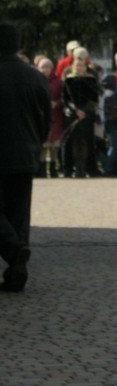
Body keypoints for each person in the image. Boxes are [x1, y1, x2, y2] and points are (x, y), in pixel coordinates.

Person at [0, 22, 50, 292]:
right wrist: (35, 143)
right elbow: (46, 119)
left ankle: (13, 249)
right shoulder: (34, 76)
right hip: (26, 154)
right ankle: (17, 271)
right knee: (19, 215)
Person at [61, 47, 101, 178]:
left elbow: (94, 99)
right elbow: (65, 98)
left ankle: (90, 169)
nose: (79, 67)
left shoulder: (91, 79)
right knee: (70, 142)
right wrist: (75, 110)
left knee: (88, 141)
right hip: (72, 114)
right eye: (77, 65)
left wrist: (84, 111)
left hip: (87, 114)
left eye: (82, 65)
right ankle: (68, 169)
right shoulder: (68, 79)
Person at [36, 58, 64, 178]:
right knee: (42, 143)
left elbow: (64, 97)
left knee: (54, 144)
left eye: (47, 67)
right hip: (40, 115)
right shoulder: (34, 80)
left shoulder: (58, 82)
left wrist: (57, 103)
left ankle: (53, 168)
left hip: (55, 116)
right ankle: (41, 169)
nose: (45, 69)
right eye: (43, 67)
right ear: (38, 68)